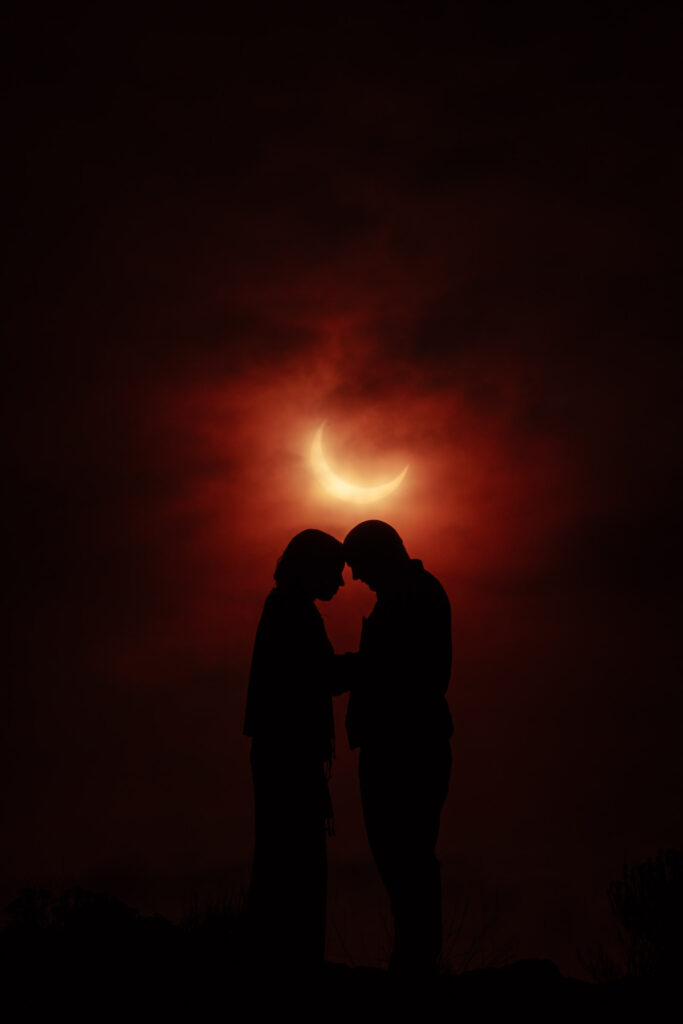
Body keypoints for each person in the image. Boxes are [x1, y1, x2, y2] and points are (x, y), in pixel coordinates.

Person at [338, 520, 453, 977]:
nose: (356, 577)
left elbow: (401, 671)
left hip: (408, 746)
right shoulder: (408, 595)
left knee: (408, 855)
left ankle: (416, 963)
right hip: (402, 742)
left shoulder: (414, 596)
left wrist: (346, 671)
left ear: (380, 555)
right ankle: (414, 958)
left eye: (359, 565)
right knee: (401, 856)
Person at [244, 529, 345, 972]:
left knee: (283, 862)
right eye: (335, 572)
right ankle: (289, 965)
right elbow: (323, 674)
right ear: (313, 568)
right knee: (293, 866)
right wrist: (374, 661)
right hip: (288, 757)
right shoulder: (291, 610)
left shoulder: (287, 607)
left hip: (282, 752)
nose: (341, 583)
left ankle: (279, 958)